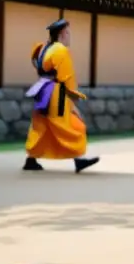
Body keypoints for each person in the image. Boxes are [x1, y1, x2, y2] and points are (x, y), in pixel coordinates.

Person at [23, 19, 100, 173]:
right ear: (62, 33)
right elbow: (67, 78)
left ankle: (31, 159)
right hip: (57, 92)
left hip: (43, 90)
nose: (69, 36)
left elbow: (37, 65)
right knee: (70, 125)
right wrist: (72, 104)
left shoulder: (44, 48)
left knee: (41, 126)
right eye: (68, 33)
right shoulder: (60, 50)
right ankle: (79, 159)